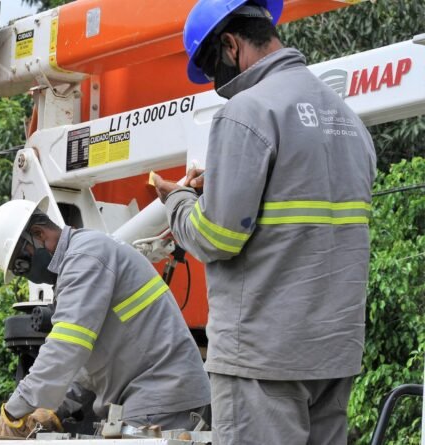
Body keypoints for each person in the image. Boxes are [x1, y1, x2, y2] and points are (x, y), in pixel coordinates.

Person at [152, 1, 377, 443]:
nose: (219, 87)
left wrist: (177, 202)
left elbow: (217, 237)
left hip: (263, 358)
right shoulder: (348, 119)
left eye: (211, 68)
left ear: (230, 45)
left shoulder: (247, 111)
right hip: (334, 353)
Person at [0, 199, 210, 437]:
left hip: (161, 393)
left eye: (21, 264)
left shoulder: (85, 257)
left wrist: (13, 411)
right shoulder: (82, 258)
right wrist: (55, 410)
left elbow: (65, 348)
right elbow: (88, 366)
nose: (26, 274)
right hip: (155, 392)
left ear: (39, 234)